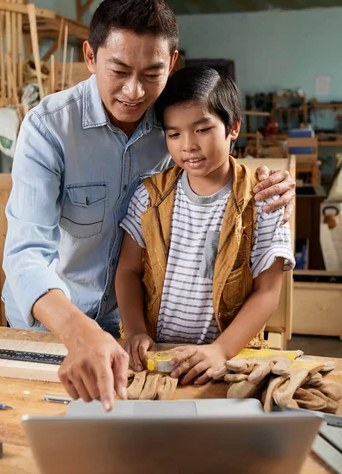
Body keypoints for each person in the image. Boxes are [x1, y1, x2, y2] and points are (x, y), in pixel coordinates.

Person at [3, 0, 296, 410]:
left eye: (152, 73)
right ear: (90, 56)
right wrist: (80, 332)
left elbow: (214, 157)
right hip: (54, 321)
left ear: (172, 64)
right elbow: (26, 255)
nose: (134, 91)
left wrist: (267, 182)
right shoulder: (49, 128)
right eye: (118, 70)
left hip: (131, 329)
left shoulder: (173, 121)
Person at [116, 66, 295, 385]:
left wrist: (220, 351)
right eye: (174, 133)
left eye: (202, 129)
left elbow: (268, 291)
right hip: (157, 358)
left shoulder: (264, 199)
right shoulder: (150, 196)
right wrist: (135, 332)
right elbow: (128, 270)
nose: (188, 145)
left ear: (233, 127)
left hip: (228, 359)